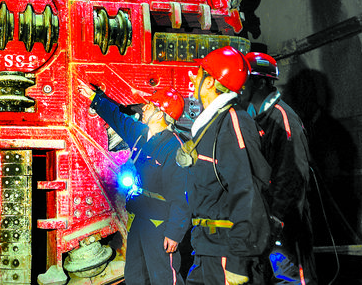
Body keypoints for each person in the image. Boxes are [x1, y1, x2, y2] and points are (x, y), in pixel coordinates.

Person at [77, 80, 190, 285]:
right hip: (140, 217)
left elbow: (181, 196)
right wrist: (94, 98)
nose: (144, 108)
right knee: (135, 274)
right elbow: (117, 118)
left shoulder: (174, 148)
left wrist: (174, 233)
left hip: (160, 222)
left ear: (160, 115)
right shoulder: (140, 134)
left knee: (164, 276)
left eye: (150, 106)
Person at [181, 46, 270, 285]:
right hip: (207, 248)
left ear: (210, 82)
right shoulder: (213, 123)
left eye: (199, 73)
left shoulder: (233, 122)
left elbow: (248, 190)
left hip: (226, 252)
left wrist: (238, 261)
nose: (194, 77)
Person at [240, 52, 317, 285]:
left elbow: (292, 176)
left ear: (261, 83)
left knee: (290, 279)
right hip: (265, 224)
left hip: (284, 225)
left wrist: (276, 220)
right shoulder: (254, 117)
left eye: (245, 80)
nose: (240, 86)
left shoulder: (283, 119)